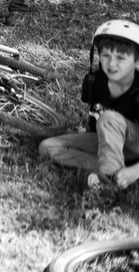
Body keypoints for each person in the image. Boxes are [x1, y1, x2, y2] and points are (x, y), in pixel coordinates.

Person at [39, 20, 139, 190]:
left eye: (121, 58)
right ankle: (113, 172)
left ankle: (108, 178)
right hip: (111, 145)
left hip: (135, 145)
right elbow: (95, 116)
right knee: (47, 147)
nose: (111, 63)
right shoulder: (95, 82)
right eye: (105, 55)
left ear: (137, 61)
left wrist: (135, 172)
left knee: (109, 118)